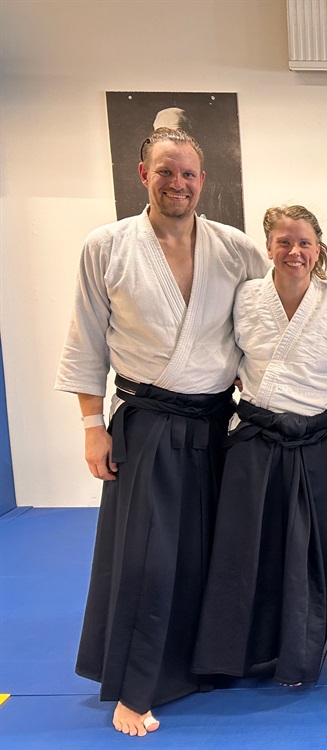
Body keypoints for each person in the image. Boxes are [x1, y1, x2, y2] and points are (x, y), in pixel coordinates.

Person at [54, 127, 268, 736]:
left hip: (219, 421)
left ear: (204, 180)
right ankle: (136, 685)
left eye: (189, 173)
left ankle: (208, 664)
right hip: (148, 419)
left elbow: (267, 322)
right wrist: (92, 426)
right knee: (148, 558)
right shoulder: (108, 245)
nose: (178, 183)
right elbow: (86, 340)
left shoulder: (236, 249)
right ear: (143, 173)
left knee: (214, 550)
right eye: (166, 171)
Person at [192, 205, 327, 686]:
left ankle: (297, 656)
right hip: (256, 438)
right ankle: (235, 655)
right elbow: (221, 354)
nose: (294, 251)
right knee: (244, 550)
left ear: (318, 249)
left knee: (311, 554)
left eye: (304, 243)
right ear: (268, 247)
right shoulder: (245, 297)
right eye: (284, 242)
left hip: (318, 440)